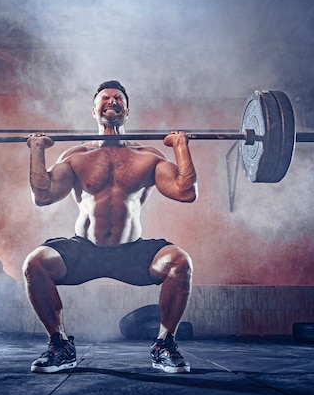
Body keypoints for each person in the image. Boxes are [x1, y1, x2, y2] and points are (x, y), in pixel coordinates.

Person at [23, 80, 198, 374]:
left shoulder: (149, 156)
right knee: (35, 264)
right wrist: (37, 149)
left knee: (180, 262)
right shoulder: (76, 157)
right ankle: (60, 345)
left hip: (131, 252)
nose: (112, 101)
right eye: (105, 98)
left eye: (118, 98)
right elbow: (43, 195)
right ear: (94, 110)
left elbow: (185, 191)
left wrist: (180, 146)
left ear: (126, 110)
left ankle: (165, 345)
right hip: (84, 251)